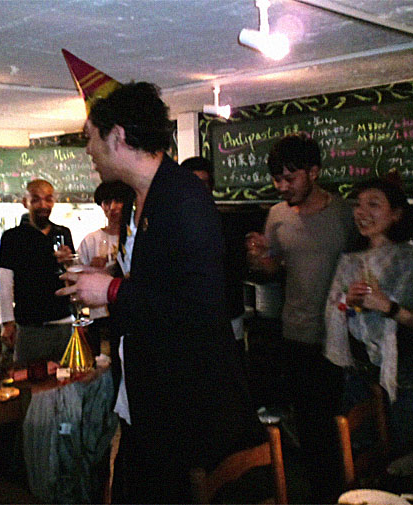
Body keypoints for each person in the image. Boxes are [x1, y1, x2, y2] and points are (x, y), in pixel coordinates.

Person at [57, 82, 264, 503]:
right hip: (149, 388)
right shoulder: (141, 197)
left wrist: (112, 289)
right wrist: (108, 275)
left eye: (90, 138)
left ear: (117, 136)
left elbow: (199, 306)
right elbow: (161, 278)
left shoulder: (183, 197)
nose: (88, 150)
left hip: (185, 399)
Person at [245, 133, 356, 500]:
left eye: (289, 178)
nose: (281, 187)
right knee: (309, 423)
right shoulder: (277, 216)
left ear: (314, 172)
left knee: (346, 422)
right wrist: (259, 258)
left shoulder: (344, 213)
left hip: (344, 335)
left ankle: (347, 489)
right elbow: (272, 268)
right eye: (277, 179)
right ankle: (319, 493)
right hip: (295, 331)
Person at [324, 177, 413, 454]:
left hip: (408, 377)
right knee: (362, 458)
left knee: (410, 458)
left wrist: (389, 307)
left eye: (374, 205)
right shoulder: (349, 261)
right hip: (360, 376)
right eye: (358, 205)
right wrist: (347, 303)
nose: (362, 212)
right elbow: (334, 311)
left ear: (396, 214)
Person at [0, 179, 74, 368]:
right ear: (25, 202)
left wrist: (71, 262)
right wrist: (7, 322)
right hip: (29, 325)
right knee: (28, 379)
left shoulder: (63, 233)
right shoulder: (12, 237)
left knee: (67, 379)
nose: (43, 205)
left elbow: (72, 277)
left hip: (64, 321)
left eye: (48, 199)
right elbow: (4, 282)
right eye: (36, 200)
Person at [181, 156, 246, 348]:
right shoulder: (171, 228)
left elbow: (238, 270)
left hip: (228, 318)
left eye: (204, 184)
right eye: (192, 184)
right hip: (189, 322)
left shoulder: (229, 225)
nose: (199, 191)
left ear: (212, 187)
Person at [76, 180, 133, 355]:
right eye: (107, 202)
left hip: (128, 314)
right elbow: (77, 277)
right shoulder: (91, 240)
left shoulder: (134, 238)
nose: (112, 208)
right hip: (98, 316)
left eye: (118, 201)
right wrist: (90, 269)